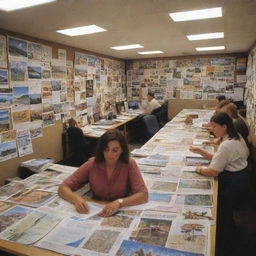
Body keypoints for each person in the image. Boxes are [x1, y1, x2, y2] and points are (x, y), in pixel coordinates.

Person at [189, 112, 249, 255]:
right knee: (226, 212)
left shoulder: (226, 145)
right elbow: (220, 158)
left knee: (220, 210)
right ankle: (229, 231)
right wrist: (201, 152)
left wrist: (198, 168)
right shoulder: (235, 138)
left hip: (232, 182)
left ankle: (223, 240)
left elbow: (213, 171)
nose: (212, 130)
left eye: (215, 127)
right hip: (241, 178)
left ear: (224, 126)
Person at [58, 129, 148, 217]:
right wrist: (76, 199)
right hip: (96, 209)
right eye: (106, 149)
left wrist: (120, 202)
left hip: (120, 210)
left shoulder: (129, 164)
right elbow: (63, 187)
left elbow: (143, 195)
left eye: (115, 150)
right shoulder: (92, 164)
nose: (110, 154)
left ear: (122, 150)